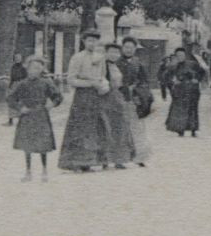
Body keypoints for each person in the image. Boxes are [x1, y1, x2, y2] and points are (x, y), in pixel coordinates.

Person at [58, 30, 110, 172]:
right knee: (79, 128)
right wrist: (89, 83)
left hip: (96, 96)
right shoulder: (77, 57)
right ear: (84, 42)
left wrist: (103, 85)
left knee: (95, 127)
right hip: (82, 96)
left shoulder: (100, 58)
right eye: (89, 41)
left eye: (95, 41)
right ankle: (75, 162)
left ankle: (90, 161)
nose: (92, 44)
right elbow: (71, 79)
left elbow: (104, 76)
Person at [8, 55, 62, 181]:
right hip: (27, 116)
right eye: (31, 68)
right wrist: (20, 108)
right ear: (27, 69)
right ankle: (28, 171)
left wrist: (52, 104)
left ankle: (44, 170)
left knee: (43, 145)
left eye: (37, 68)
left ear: (42, 70)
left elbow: (58, 96)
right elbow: (10, 98)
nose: (34, 71)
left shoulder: (46, 83)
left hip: (41, 115)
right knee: (27, 145)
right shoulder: (22, 84)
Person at [98, 43, 136, 168]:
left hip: (117, 98)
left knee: (120, 128)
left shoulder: (116, 65)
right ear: (106, 53)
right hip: (105, 98)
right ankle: (105, 160)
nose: (114, 55)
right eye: (111, 52)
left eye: (116, 52)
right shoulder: (101, 65)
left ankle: (119, 159)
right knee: (106, 128)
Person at [118, 37, 152, 166]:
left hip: (135, 100)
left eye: (131, 48)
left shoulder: (138, 63)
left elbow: (145, 81)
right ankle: (120, 157)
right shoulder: (116, 62)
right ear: (122, 48)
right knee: (121, 127)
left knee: (137, 128)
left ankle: (140, 157)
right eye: (126, 47)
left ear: (135, 49)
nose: (128, 50)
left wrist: (139, 91)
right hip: (120, 98)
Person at [164, 47, 205, 137]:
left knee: (193, 110)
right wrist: (173, 82)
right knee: (180, 111)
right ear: (176, 56)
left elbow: (202, 72)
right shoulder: (172, 66)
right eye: (178, 55)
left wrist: (197, 79)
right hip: (180, 91)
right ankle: (180, 129)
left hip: (192, 90)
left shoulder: (193, 64)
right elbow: (166, 77)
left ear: (185, 55)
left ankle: (193, 130)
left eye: (182, 55)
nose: (180, 57)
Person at [6, 53, 28, 125]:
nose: (17, 59)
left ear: (21, 59)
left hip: (21, 85)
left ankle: (21, 120)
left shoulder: (24, 68)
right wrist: (10, 85)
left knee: (21, 102)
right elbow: (12, 77)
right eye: (16, 58)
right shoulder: (13, 67)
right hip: (14, 85)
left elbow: (26, 78)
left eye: (19, 58)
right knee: (11, 101)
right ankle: (10, 120)